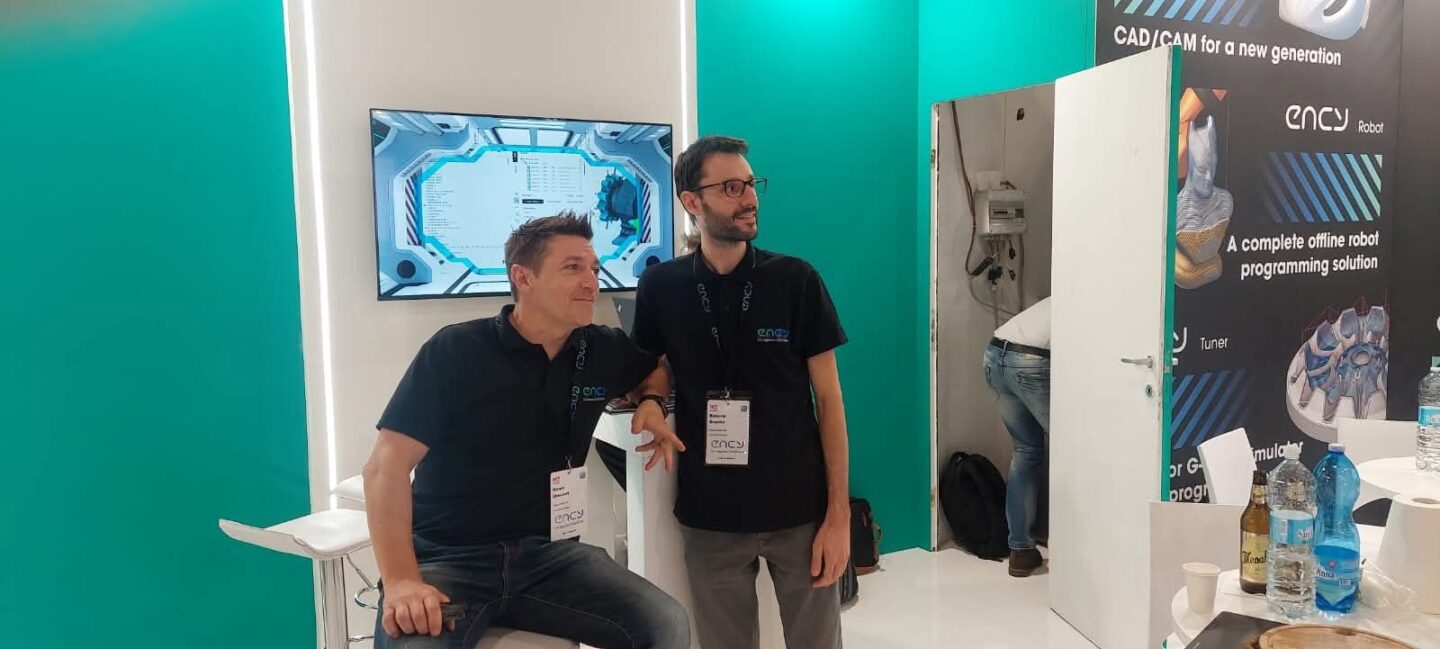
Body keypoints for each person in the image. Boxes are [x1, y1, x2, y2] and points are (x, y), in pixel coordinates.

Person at [363, 213, 690, 648]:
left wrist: (650, 402)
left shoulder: (601, 347)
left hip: (550, 558)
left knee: (665, 625)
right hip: (450, 557)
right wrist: (402, 580)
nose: (591, 282)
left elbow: (656, 371)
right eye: (572, 267)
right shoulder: (457, 350)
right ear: (523, 277)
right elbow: (384, 468)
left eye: (594, 269)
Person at [632, 136, 851, 649]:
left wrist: (838, 513)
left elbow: (831, 400)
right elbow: (656, 366)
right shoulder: (661, 287)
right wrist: (649, 399)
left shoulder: (796, 280)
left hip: (800, 511)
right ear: (692, 202)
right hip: (711, 516)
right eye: (731, 187)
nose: (749, 198)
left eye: (752, 184)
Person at [982, 296, 1051, 577]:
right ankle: (1078, 551)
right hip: (1030, 360)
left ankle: (1021, 550)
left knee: (1025, 452)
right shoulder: (1095, 302)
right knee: (1073, 450)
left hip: (994, 353)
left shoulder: (1064, 290)